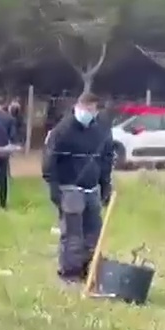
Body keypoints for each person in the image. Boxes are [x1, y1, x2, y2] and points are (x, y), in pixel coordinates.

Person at [43, 92, 115, 287]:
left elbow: (106, 159)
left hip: (92, 189)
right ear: (78, 107)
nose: (90, 113)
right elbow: (50, 161)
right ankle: (70, 273)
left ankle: (89, 270)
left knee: (93, 232)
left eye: (93, 110)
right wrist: (54, 187)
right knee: (73, 233)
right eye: (87, 109)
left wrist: (105, 184)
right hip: (69, 188)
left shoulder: (100, 131)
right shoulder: (62, 130)